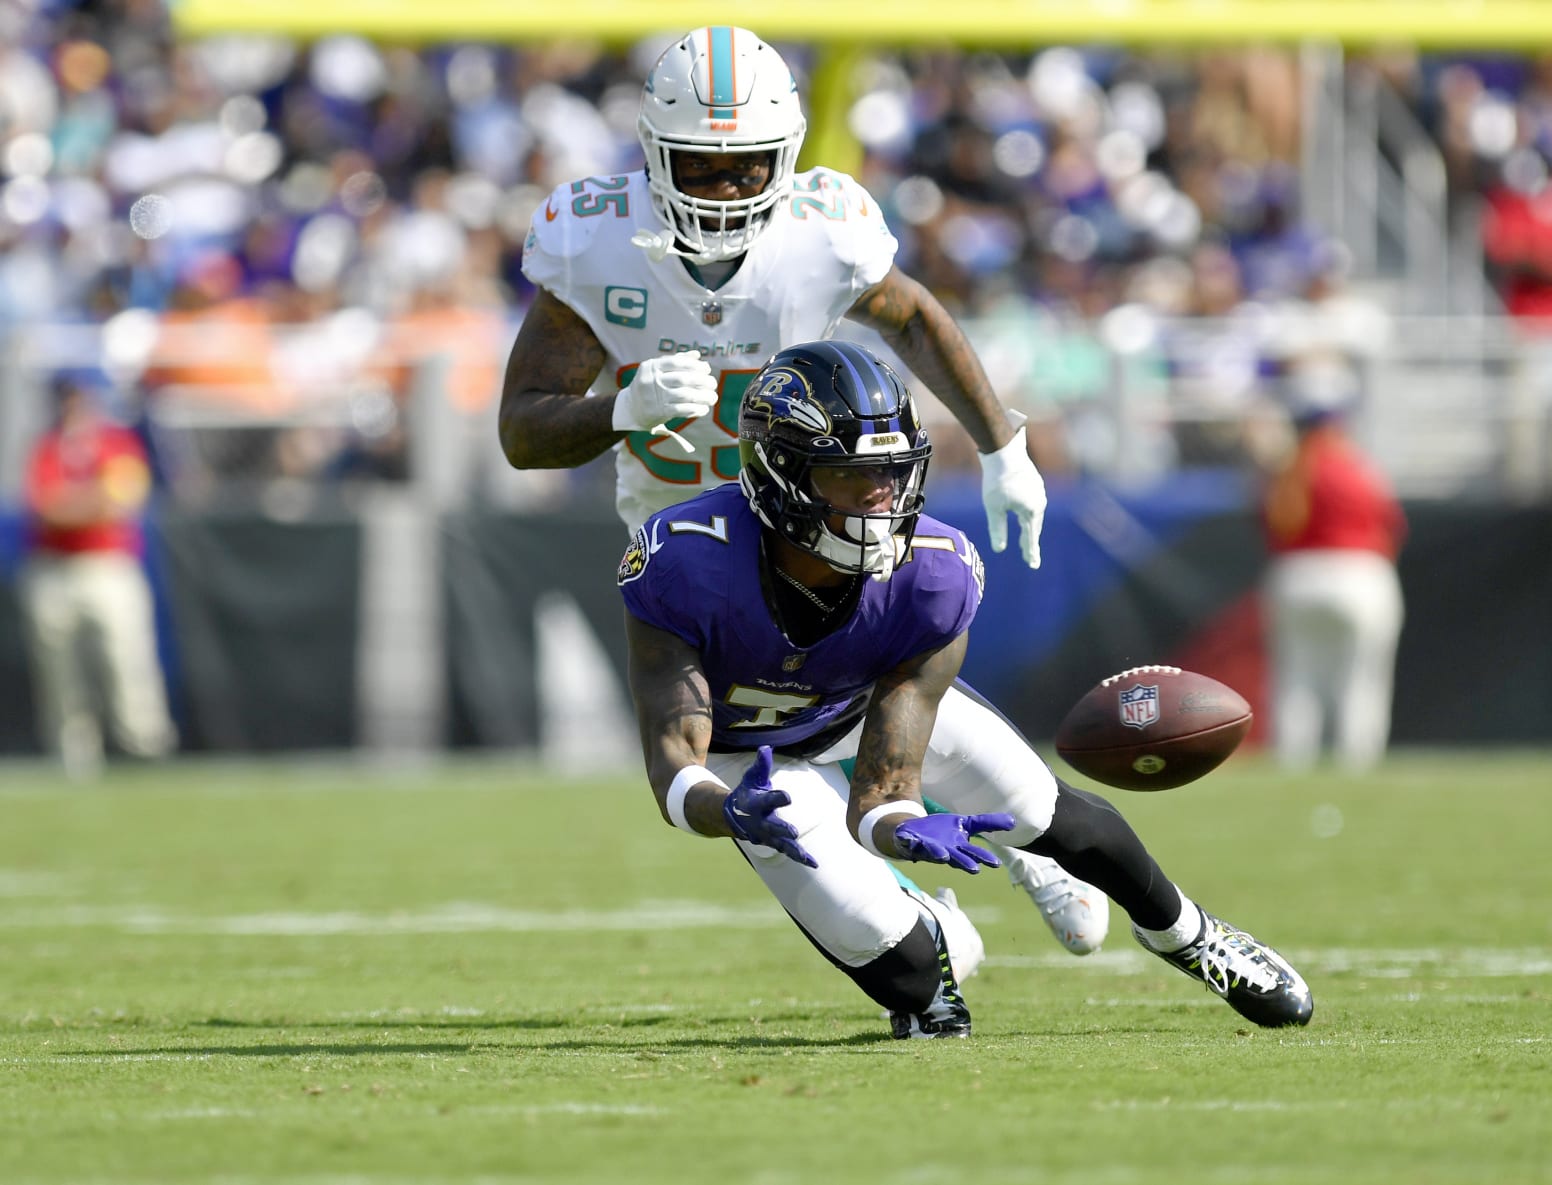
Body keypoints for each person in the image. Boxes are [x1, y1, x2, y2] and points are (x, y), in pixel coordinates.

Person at [497, 26, 1104, 956]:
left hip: (815, 507)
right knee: (762, 734)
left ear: (785, 157)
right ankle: (909, 882)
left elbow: (916, 319)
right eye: (703, 166)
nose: (731, 187)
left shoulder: (822, 229)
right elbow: (523, 430)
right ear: (656, 158)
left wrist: (1002, 442)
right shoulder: (597, 242)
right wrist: (619, 408)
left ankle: (1027, 838)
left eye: (749, 166)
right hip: (689, 545)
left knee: (882, 670)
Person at [620, 340, 1312, 1038]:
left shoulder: (934, 573)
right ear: (782, 475)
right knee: (924, 993)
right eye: (850, 477)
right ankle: (937, 923)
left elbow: (883, 793)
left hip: (860, 709)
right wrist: (729, 809)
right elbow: (675, 761)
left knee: (1044, 809)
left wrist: (905, 825)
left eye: (892, 474)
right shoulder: (687, 559)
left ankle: (1192, 934)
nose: (880, 498)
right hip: (752, 763)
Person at [20, 373, 177, 777]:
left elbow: (123, 501)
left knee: (126, 660)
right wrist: (92, 500)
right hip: (55, 567)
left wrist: (77, 503)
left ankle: (144, 746)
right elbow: (46, 507)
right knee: (60, 669)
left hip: (108, 565)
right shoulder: (47, 448)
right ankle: (74, 754)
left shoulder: (116, 444)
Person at [1254, 372, 1407, 772]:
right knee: (1362, 680)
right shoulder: (1360, 465)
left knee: (1296, 680)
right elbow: (1392, 524)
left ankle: (1292, 765)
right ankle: (1357, 766)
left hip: (1296, 574)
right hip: (1361, 573)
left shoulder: (1287, 469)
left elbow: (1269, 523)